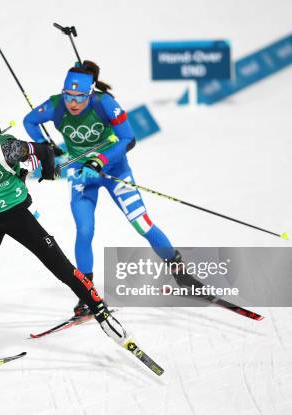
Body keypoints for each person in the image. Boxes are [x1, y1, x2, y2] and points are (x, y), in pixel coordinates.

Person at [0, 101, 132, 364]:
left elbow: (42, 150)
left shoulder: (6, 147)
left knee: (62, 268)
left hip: (18, 216)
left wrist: (49, 169)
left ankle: (102, 315)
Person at [23, 61, 195, 316]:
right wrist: (46, 145)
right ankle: (87, 293)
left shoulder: (105, 104)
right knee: (84, 231)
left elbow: (129, 138)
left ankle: (180, 274)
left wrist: (100, 160)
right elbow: (30, 121)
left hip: (114, 170)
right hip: (83, 174)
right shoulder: (57, 104)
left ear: (90, 92)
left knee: (142, 224)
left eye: (79, 97)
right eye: (69, 95)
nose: (72, 102)